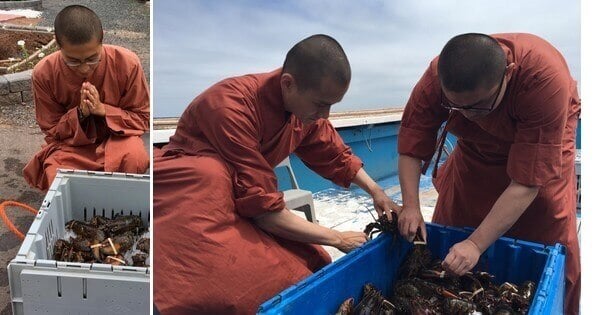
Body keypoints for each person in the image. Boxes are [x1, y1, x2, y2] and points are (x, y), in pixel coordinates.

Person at [153, 34, 401, 314]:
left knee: (316, 261)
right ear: (288, 84)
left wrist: (377, 192)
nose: (326, 115)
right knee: (270, 285)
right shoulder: (230, 107)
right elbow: (264, 211)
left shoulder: (301, 108)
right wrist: (338, 238)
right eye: (321, 105)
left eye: (333, 105)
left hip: (247, 196)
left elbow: (334, 153)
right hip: (196, 195)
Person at [397, 33, 580, 314]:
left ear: (507, 74)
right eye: (455, 106)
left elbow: (528, 182)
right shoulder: (437, 77)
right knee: (454, 223)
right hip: (474, 150)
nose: (466, 115)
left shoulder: (544, 79)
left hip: (541, 146)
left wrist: (475, 243)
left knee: (546, 225)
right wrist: (410, 205)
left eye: (477, 106)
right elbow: (412, 140)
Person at [23, 5, 150, 191]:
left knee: (135, 158)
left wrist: (103, 110)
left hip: (118, 139)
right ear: (59, 47)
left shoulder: (127, 63)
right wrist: (80, 114)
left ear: (102, 41)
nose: (84, 69)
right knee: (57, 174)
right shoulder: (44, 73)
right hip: (73, 145)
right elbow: (51, 129)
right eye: (73, 61)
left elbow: (142, 119)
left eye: (92, 59)